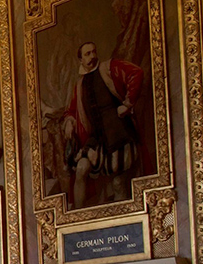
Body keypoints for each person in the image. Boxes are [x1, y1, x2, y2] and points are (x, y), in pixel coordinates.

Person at [62, 41, 144, 208]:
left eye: (94, 52)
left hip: (118, 134)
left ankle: (122, 224)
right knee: (81, 169)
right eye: (87, 54)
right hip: (96, 138)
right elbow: (71, 110)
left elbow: (137, 73)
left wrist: (127, 104)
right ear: (81, 60)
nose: (92, 57)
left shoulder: (109, 67)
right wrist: (70, 122)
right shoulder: (80, 85)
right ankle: (78, 217)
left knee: (118, 182)